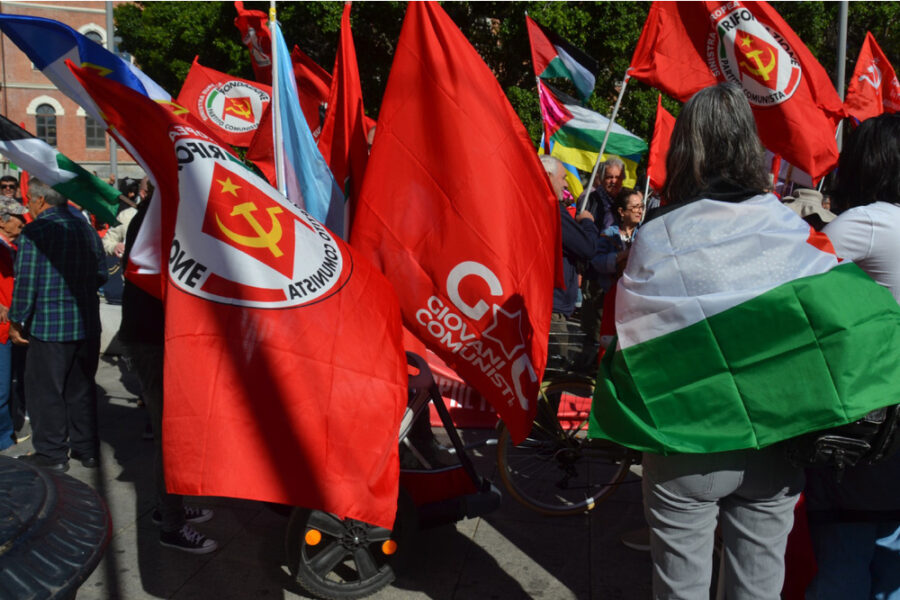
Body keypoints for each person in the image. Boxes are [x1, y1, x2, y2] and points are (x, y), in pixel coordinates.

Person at [631, 84, 805, 598]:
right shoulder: (787, 226)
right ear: (751, 147)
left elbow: (635, 335)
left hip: (690, 436)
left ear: (685, 148)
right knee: (759, 588)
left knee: (679, 588)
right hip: (775, 435)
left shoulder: (657, 233)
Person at [804, 112, 900, 600]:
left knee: (844, 562)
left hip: (866, 429)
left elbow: (795, 287)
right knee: (892, 569)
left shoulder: (865, 222)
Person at [118, 188, 218, 554]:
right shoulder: (159, 210)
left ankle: (169, 506)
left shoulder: (163, 206)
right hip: (152, 338)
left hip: (158, 337)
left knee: (175, 431)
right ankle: (172, 525)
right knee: (170, 434)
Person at [10, 178, 106, 472]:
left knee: (45, 390)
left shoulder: (37, 232)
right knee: (81, 388)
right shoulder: (86, 229)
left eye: (28, 200)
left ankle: (52, 454)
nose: (27, 206)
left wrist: (16, 321)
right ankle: (86, 449)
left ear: (40, 201)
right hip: (86, 322)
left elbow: (26, 284)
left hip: (50, 326)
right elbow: (101, 272)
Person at [541, 155, 599, 367]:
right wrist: (587, 223)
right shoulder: (552, 210)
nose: (566, 183)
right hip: (552, 310)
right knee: (553, 377)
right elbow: (587, 248)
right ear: (547, 177)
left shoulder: (530, 204)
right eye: (563, 177)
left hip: (544, 303)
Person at [0, 198, 27, 450]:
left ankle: (6, 436)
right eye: (17, 216)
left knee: (7, 385)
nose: (22, 220)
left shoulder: (14, 247)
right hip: (1, 330)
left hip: (11, 328)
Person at [590, 187, 643, 293]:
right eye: (635, 207)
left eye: (641, 207)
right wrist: (621, 256)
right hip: (613, 293)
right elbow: (596, 262)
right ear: (621, 211)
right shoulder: (609, 234)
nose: (640, 211)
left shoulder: (644, 233)